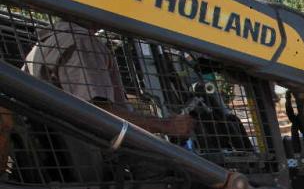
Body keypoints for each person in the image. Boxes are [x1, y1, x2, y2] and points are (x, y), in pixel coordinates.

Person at [25, 20, 194, 137]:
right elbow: (98, 113)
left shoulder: (43, 45)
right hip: (95, 155)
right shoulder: (83, 42)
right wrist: (165, 125)